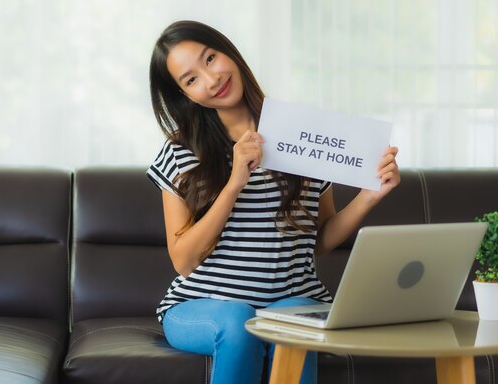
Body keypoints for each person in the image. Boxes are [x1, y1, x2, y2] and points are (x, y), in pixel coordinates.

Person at [146, 20, 400, 384]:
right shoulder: (180, 152)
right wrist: (234, 183)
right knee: (238, 323)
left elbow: (321, 241)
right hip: (202, 306)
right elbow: (184, 260)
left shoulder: (303, 133)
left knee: (294, 320)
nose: (211, 79)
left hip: (293, 297)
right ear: (185, 95)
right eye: (191, 79)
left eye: (211, 58)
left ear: (229, 52)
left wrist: (368, 197)